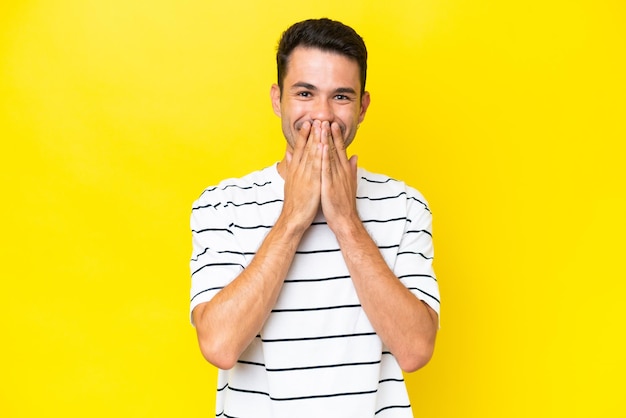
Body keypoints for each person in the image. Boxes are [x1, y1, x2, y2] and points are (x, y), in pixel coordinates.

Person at [189, 18, 440, 417]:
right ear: (277, 99)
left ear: (363, 107)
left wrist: (346, 222)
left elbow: (415, 349)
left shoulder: (404, 205)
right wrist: (292, 219)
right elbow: (219, 345)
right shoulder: (222, 206)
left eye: (341, 97)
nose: (322, 115)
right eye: (305, 93)